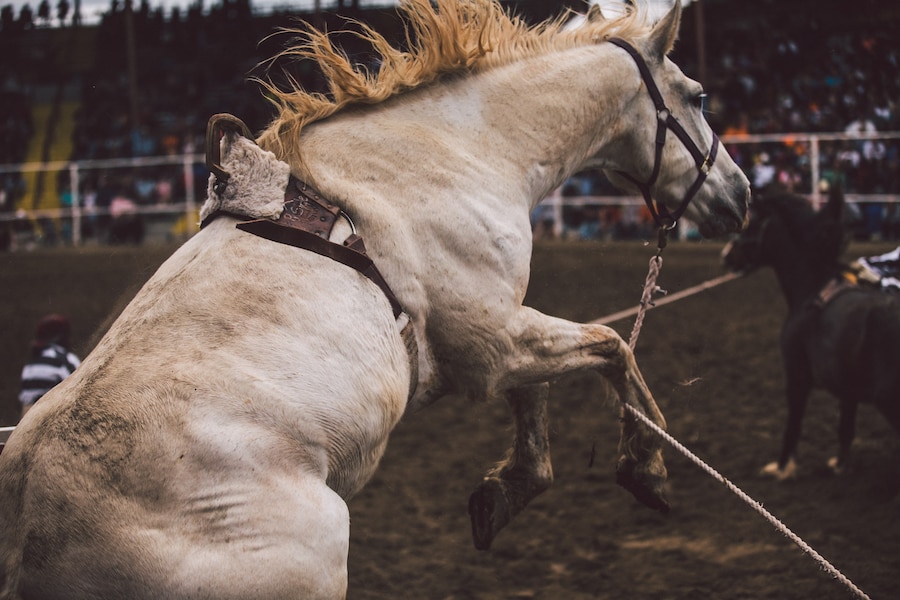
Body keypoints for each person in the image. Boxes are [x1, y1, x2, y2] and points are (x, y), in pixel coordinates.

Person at [18, 314, 81, 418]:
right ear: (62, 336)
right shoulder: (65, 359)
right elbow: (81, 392)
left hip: (28, 421)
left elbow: (26, 401)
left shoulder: (31, 363)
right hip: (54, 420)